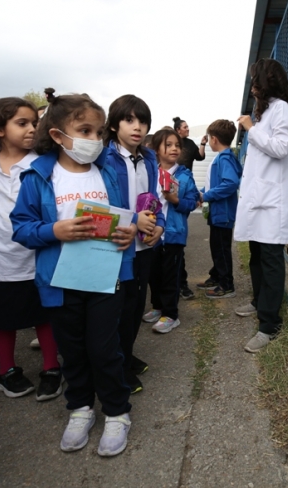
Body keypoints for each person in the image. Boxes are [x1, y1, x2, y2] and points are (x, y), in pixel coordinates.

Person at [10, 88, 136, 457]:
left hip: (105, 278)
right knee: (73, 349)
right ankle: (80, 408)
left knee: (104, 347)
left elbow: (123, 217)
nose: (94, 140)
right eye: (85, 131)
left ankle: (116, 411)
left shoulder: (108, 173)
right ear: (57, 135)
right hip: (60, 282)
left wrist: (128, 233)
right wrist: (54, 230)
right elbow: (21, 227)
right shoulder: (38, 177)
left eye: (99, 132)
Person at [0, 97, 62, 400]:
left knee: (43, 314)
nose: (32, 129)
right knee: (2, 319)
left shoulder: (43, 163)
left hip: (38, 253)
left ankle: (51, 368)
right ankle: (5, 371)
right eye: (22, 123)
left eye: (34, 123)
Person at [233, 59, 288, 353]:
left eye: (254, 80)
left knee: (271, 259)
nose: (252, 86)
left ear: (266, 81)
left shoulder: (281, 109)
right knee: (257, 255)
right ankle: (259, 301)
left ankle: (269, 324)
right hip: (260, 200)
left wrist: (250, 128)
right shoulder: (267, 112)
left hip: (271, 203)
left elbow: (281, 147)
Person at [103, 95, 163, 394]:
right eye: (129, 120)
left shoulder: (149, 158)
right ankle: (118, 365)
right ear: (114, 125)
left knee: (137, 304)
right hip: (116, 245)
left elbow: (154, 198)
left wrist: (159, 225)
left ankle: (125, 353)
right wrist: (132, 221)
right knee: (118, 308)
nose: (137, 127)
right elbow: (99, 205)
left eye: (142, 121)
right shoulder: (104, 158)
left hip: (143, 247)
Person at [142, 128, 199, 334]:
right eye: (168, 145)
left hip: (174, 234)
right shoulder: (149, 172)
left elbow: (192, 202)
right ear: (156, 149)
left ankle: (171, 314)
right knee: (153, 274)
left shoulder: (184, 175)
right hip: (151, 233)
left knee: (170, 275)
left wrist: (176, 200)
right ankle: (157, 307)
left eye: (177, 145)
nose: (174, 148)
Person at [197, 120, 242, 298]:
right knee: (216, 246)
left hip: (222, 214)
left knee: (221, 249)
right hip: (218, 213)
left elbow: (230, 183)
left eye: (208, 138)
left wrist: (206, 196)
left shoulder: (224, 158)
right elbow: (213, 183)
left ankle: (226, 284)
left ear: (214, 139)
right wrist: (200, 193)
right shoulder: (222, 157)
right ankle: (216, 275)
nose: (207, 141)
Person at [173, 117, 206, 299]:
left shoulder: (190, 145)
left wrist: (202, 144)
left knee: (177, 246)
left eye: (176, 148)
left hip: (184, 192)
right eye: (185, 127)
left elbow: (200, 157)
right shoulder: (157, 173)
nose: (188, 129)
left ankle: (182, 284)